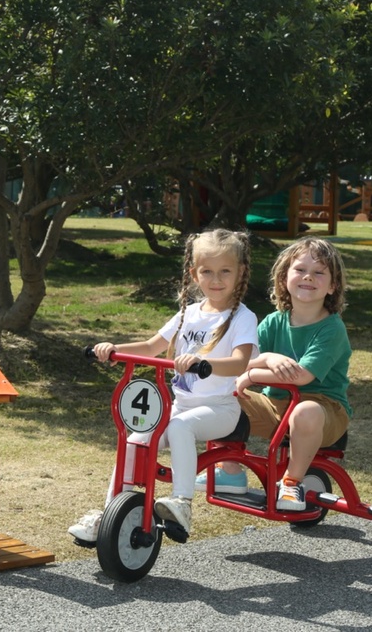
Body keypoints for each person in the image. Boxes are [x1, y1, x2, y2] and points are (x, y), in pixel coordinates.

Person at [68, 228, 258, 542]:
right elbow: (150, 346)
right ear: (194, 274)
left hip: (221, 409)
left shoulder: (242, 317)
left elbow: (240, 362)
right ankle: (110, 512)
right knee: (136, 438)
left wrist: (203, 363)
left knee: (181, 427)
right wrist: (113, 349)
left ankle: (182, 503)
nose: (216, 279)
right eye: (207, 271)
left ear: (240, 273)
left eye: (225, 271)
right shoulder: (188, 314)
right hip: (181, 406)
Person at [195, 236, 350, 511]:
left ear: (332, 286)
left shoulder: (332, 329)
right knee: (221, 395)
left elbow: (301, 376)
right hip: (275, 406)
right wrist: (267, 358)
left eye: (319, 273)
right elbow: (244, 361)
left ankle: (291, 483)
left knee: (305, 412)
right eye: (300, 270)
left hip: (324, 411)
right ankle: (229, 470)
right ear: (284, 278)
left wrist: (253, 376)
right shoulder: (273, 322)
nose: (308, 277)